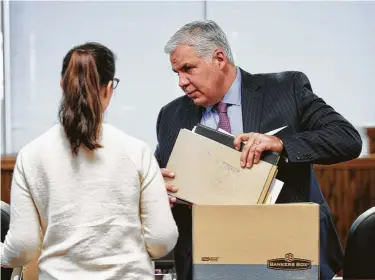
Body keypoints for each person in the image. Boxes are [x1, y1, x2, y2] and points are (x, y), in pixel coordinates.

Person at [155, 20, 362, 280]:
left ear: (219, 58)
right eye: (177, 73)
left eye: (188, 69)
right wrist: (158, 185)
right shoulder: (171, 115)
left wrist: (282, 144)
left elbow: (347, 139)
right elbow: (160, 177)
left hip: (288, 255)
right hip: (209, 260)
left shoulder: (287, 89)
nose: (181, 82)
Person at [0, 42, 178, 279]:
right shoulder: (136, 151)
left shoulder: (32, 154)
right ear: (108, 89)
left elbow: (23, 247)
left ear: (63, 85)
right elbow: (161, 240)